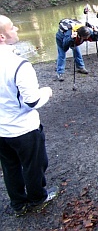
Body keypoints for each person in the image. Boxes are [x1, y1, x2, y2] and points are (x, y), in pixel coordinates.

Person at [0, 15, 59, 217]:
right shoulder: (19, 64)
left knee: (10, 167)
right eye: (11, 28)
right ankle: (37, 199)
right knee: (34, 164)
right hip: (23, 128)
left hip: (1, 130)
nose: (16, 28)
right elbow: (32, 101)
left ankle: (18, 204)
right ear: (1, 36)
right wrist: (47, 91)